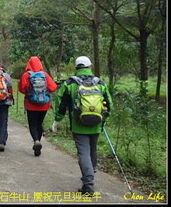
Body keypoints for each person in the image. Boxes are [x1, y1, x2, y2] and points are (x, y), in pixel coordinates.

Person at [51, 56, 113, 196]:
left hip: (79, 125)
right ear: (89, 66)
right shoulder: (100, 83)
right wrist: (104, 118)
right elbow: (109, 103)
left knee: (83, 152)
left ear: (76, 67)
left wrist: (57, 121)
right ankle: (91, 171)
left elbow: (61, 103)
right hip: (97, 123)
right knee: (93, 149)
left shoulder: (70, 83)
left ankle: (88, 183)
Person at [18, 56, 58, 156]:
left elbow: (22, 89)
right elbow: (53, 88)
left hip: (31, 104)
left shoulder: (26, 75)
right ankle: (38, 141)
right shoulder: (45, 75)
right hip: (44, 104)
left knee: (32, 124)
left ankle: (36, 140)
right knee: (39, 123)